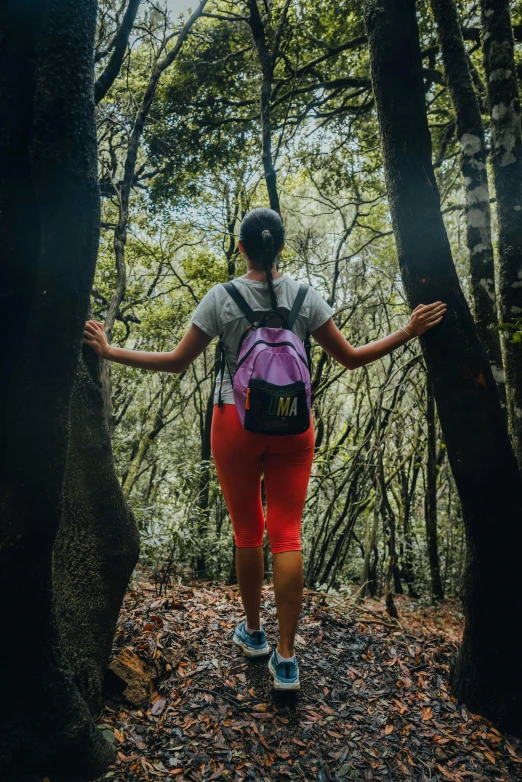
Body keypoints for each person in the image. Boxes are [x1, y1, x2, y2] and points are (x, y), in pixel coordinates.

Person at [84, 207, 446, 691]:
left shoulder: (221, 297)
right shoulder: (305, 296)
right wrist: (409, 330)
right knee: (288, 534)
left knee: (248, 532)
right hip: (295, 426)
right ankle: (288, 657)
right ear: (281, 248)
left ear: (242, 248)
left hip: (235, 421)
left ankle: (254, 634)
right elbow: (352, 359)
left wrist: (110, 352)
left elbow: (175, 363)